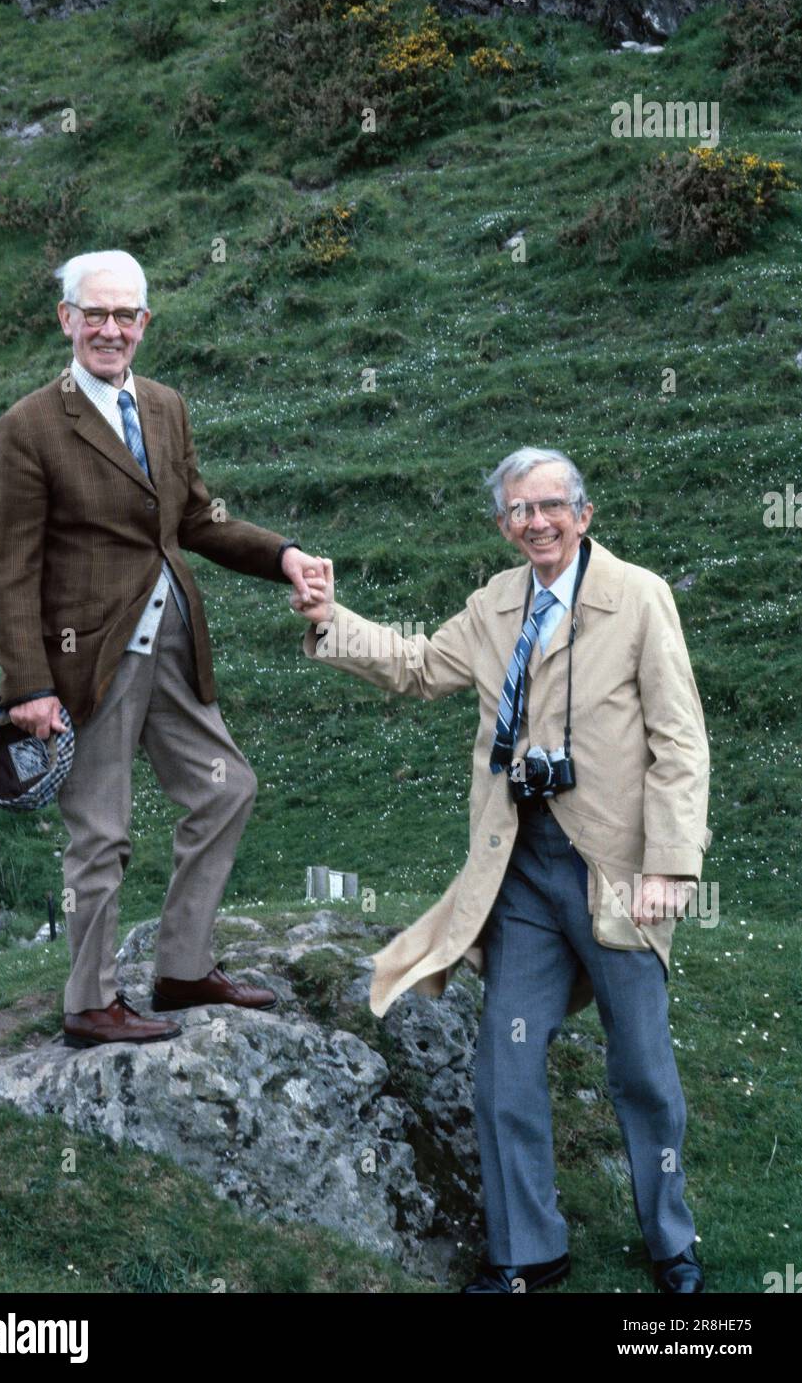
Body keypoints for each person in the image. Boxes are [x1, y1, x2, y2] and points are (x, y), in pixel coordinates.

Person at [293, 446, 712, 1294]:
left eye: (550, 505)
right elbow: (416, 667)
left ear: (583, 514)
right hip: (520, 872)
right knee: (503, 1063)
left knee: (641, 1070)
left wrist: (670, 864)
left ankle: (670, 1241)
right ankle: (529, 1253)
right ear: (502, 524)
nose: (535, 523)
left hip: (616, 871)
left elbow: (679, 741)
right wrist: (330, 617)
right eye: (518, 511)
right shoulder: (494, 604)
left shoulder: (637, 598)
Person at [0, 249, 325, 1049]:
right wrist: (26, 687)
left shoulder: (165, 406)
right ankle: (90, 1003)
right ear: (66, 318)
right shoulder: (29, 425)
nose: (109, 329)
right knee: (101, 834)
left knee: (226, 788)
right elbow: (5, 572)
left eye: (124, 315)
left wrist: (282, 556)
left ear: (144, 323)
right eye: (93, 313)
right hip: (87, 665)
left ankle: (180, 968)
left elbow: (196, 520)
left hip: (171, 647)